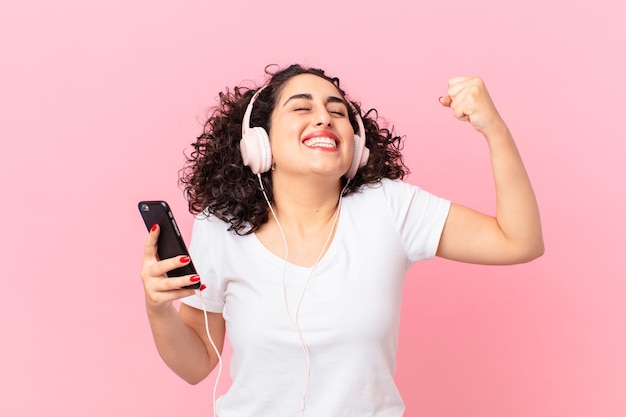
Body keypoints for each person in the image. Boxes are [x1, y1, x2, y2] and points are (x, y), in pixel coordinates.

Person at [140, 64, 544, 416]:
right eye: (301, 108)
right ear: (258, 144)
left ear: (357, 146)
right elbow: (196, 364)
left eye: (338, 113)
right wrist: (158, 308)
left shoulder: (390, 207)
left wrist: (494, 129)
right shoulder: (219, 227)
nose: (325, 119)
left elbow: (518, 241)